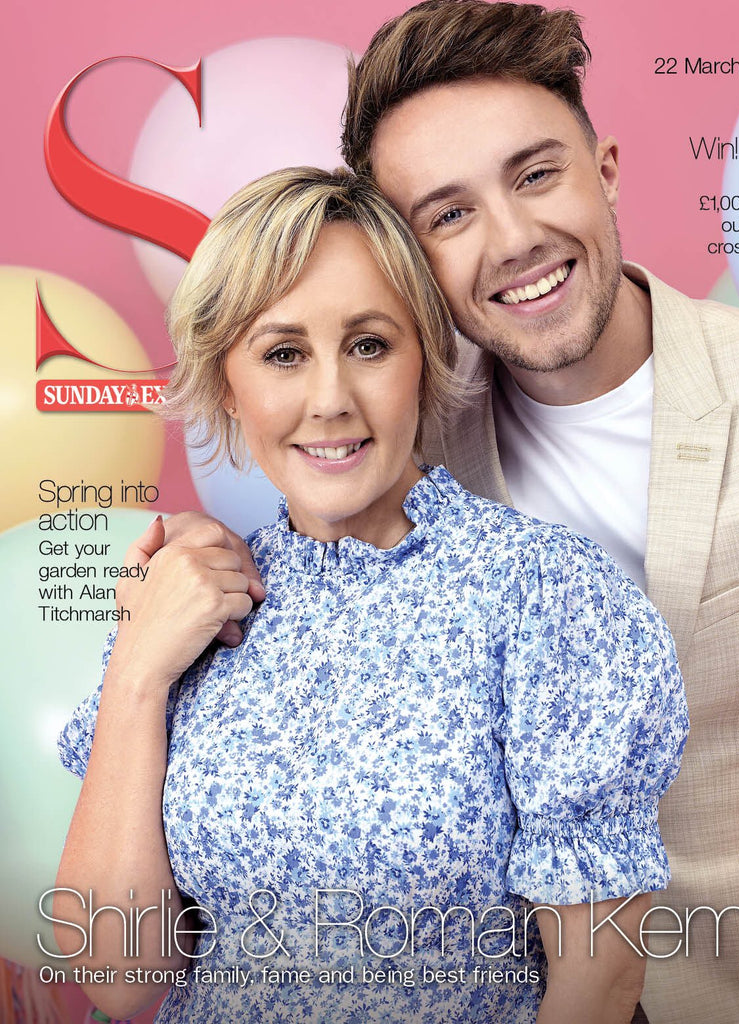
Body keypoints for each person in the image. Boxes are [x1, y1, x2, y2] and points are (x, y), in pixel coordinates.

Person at [160, 2, 739, 1020]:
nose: (514, 239)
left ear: (605, 169)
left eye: (535, 176)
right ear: (409, 264)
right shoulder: (397, 444)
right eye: (448, 215)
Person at [54, 167, 687, 1024]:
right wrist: (137, 669)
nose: (329, 401)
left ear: (423, 359)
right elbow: (117, 975)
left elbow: (599, 982)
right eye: (283, 354)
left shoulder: (539, 590)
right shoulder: (188, 606)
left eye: (368, 345)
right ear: (228, 384)